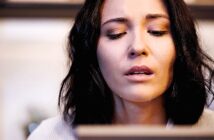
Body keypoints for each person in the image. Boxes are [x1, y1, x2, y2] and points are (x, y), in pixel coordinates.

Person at [28, 0, 214, 139]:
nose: (138, 47)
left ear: (181, 46)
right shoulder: (50, 136)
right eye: (116, 33)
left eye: (156, 31)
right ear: (92, 49)